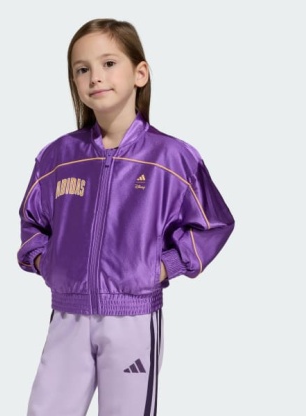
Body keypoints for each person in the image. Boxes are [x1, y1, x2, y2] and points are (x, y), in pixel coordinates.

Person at [17, 18, 235, 416]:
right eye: (82, 69)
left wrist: (161, 268)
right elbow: (32, 222)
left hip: (132, 319)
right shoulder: (58, 157)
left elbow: (214, 224)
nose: (95, 77)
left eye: (108, 63)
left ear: (140, 73)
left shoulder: (171, 158)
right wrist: (47, 264)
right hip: (67, 315)